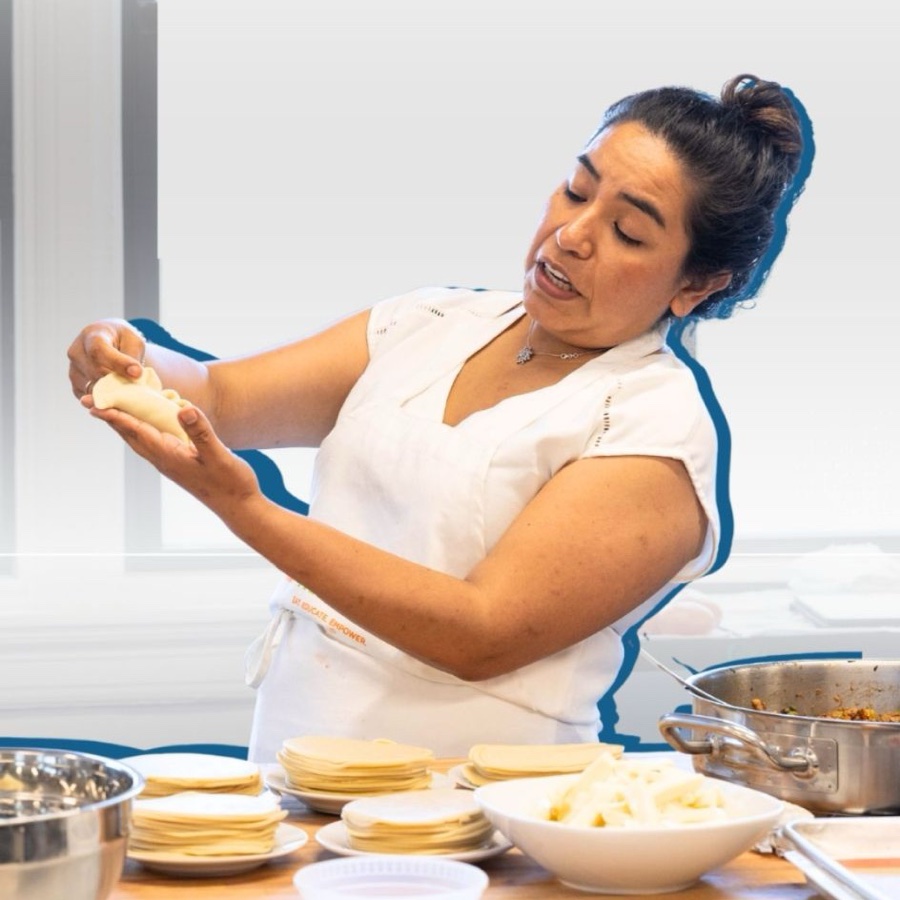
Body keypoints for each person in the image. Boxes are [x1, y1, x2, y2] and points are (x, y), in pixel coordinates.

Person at [67, 74, 810, 761]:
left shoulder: (655, 429)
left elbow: (479, 632)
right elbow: (217, 398)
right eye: (576, 191)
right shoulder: (427, 322)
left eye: (629, 233)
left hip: (489, 823)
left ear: (697, 283)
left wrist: (245, 510)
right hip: (297, 781)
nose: (573, 234)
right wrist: (127, 354)